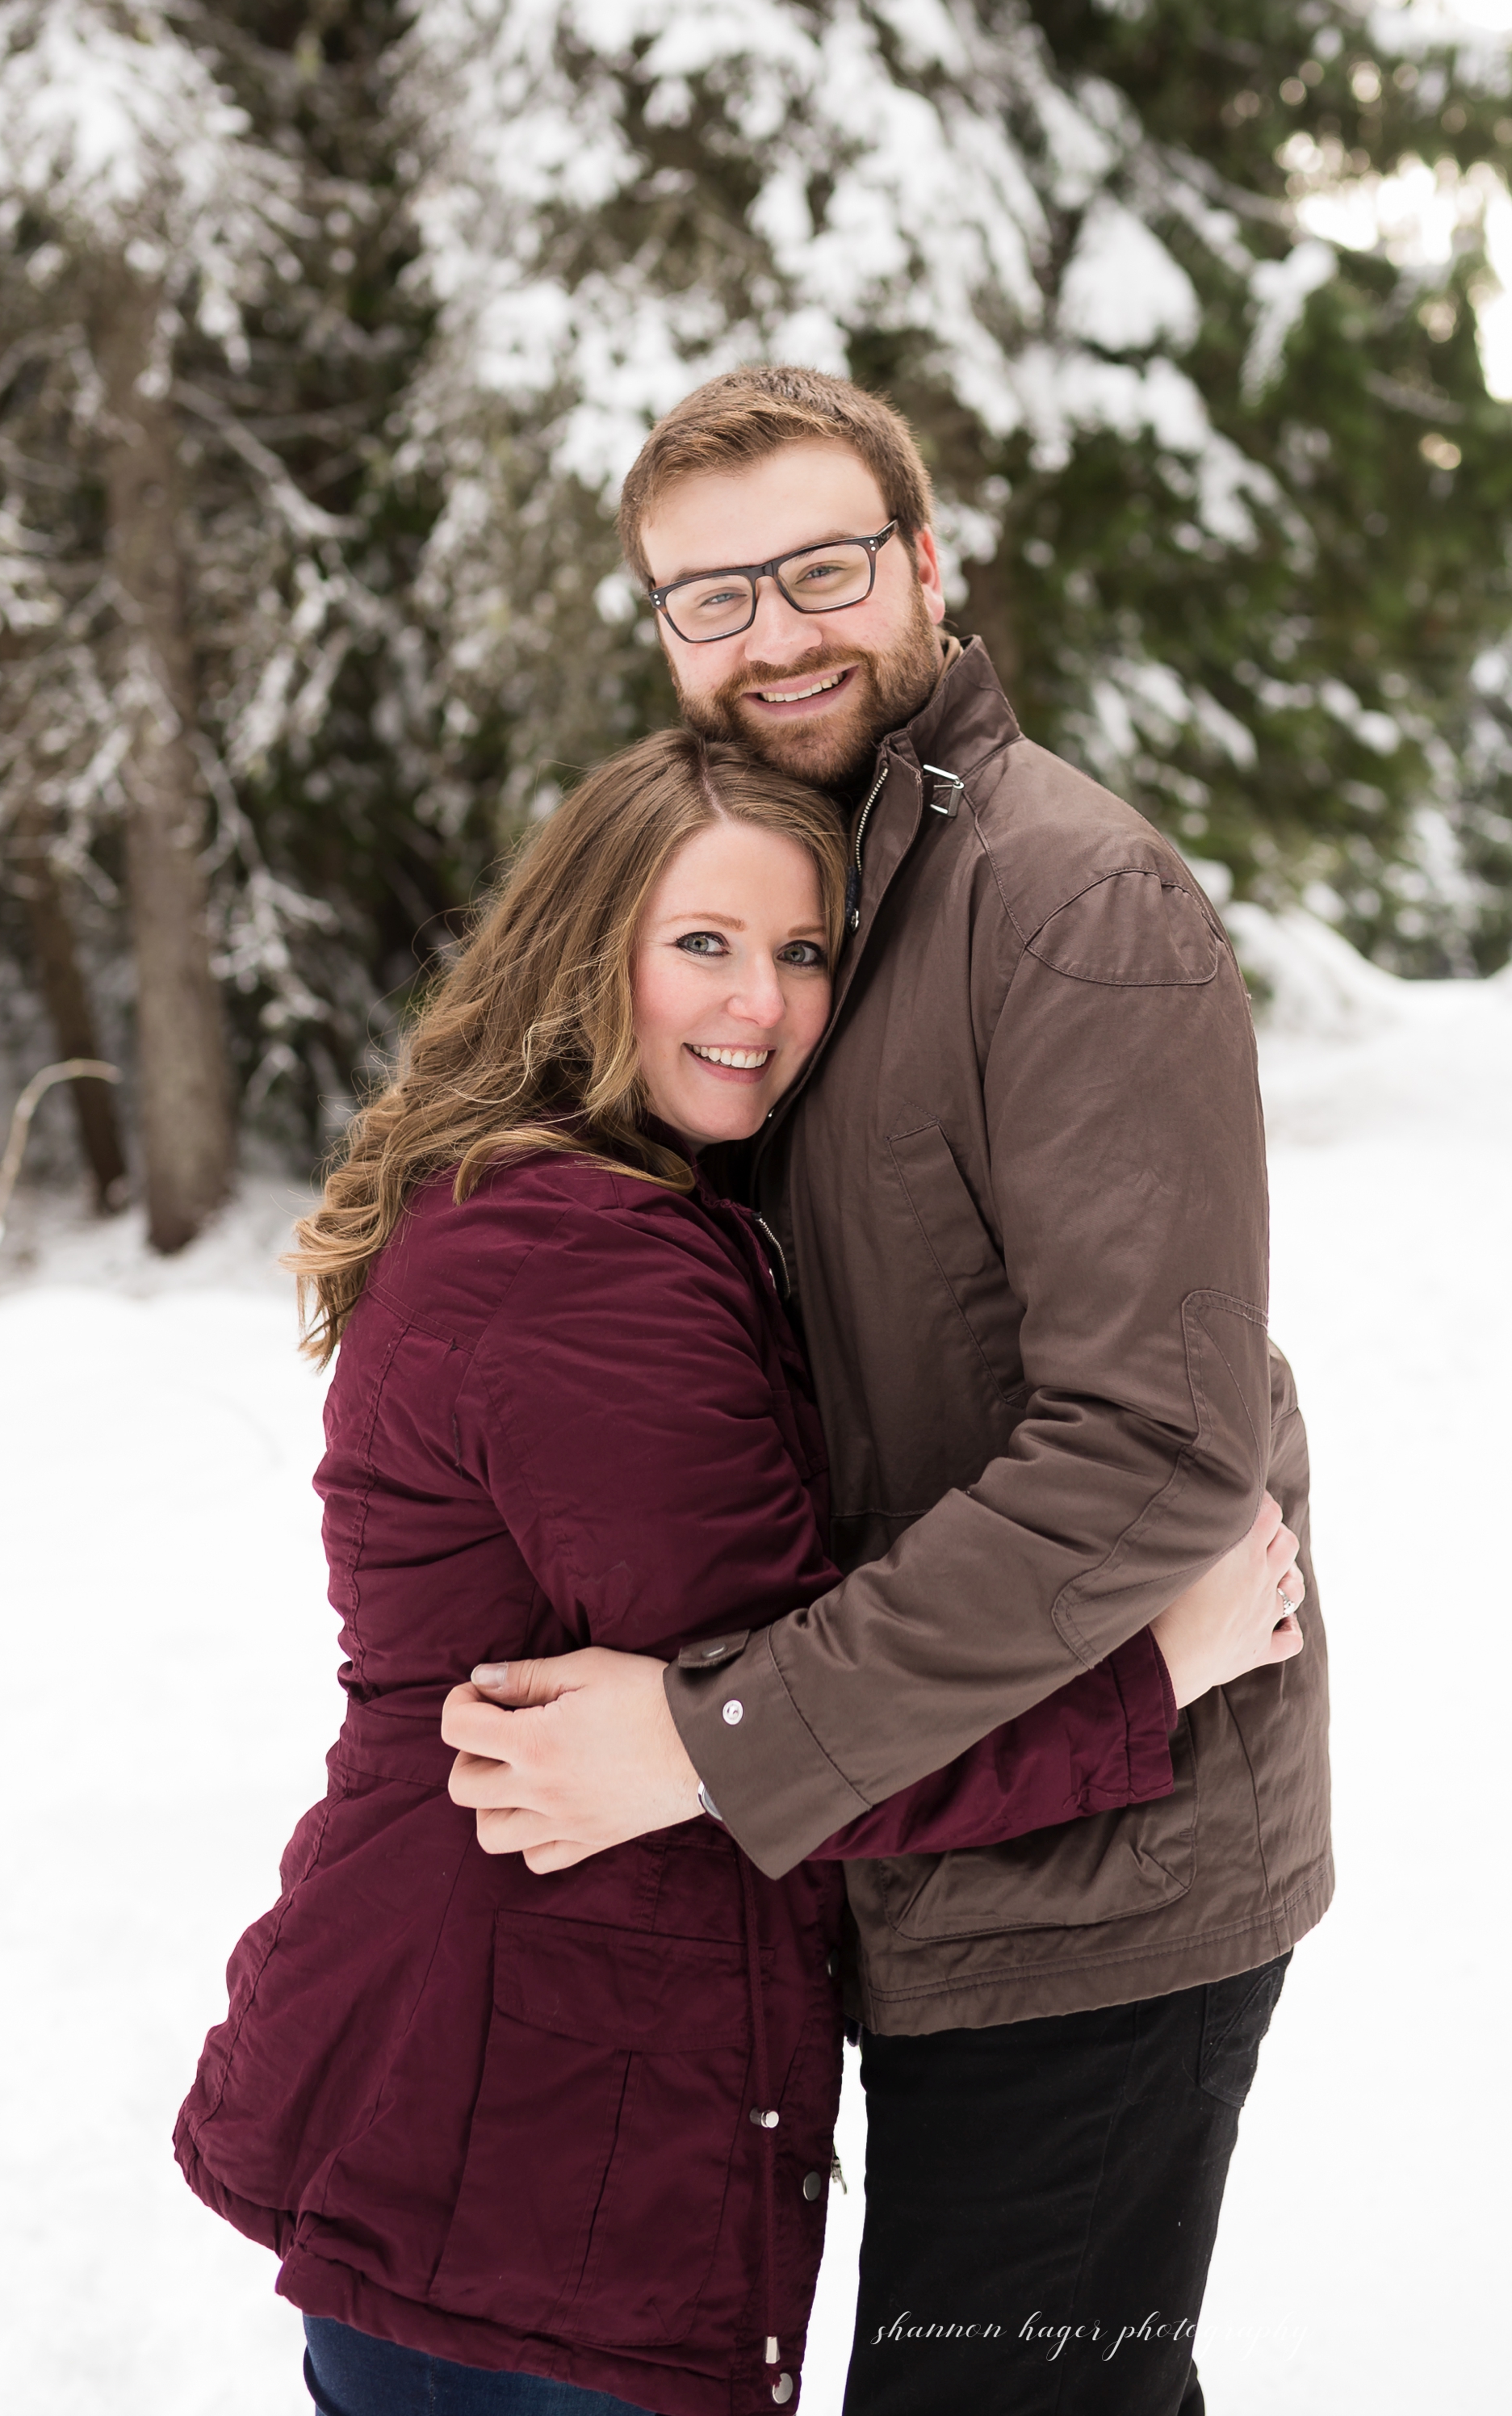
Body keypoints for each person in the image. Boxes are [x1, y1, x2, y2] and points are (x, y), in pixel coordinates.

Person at [174, 728, 1303, 2416]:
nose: (759, 1004)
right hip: (527, 2154)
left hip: (523, 2127)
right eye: (702, 941)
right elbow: (786, 1729)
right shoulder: (578, 1268)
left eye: (799, 952)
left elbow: (723, 1727)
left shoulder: (629, 1203)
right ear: (588, 945)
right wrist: (1148, 1676)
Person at [440, 367, 1333, 2416]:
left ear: (926, 567)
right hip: (923, 1835)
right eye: (710, 596)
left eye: (823, 566)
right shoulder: (793, 907)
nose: (776, 633)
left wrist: (716, 1736)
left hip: (1106, 1889)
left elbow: (1148, 1455)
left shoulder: (1065, 899)